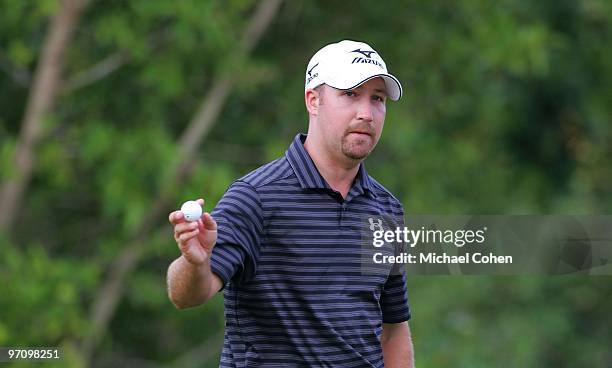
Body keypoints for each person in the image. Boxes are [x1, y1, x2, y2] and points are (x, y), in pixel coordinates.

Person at [167, 39, 414, 367]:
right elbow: (186, 295)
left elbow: (393, 330)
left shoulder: (385, 208)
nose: (366, 113)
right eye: (350, 95)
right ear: (313, 100)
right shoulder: (255, 198)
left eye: (377, 99)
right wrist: (195, 263)